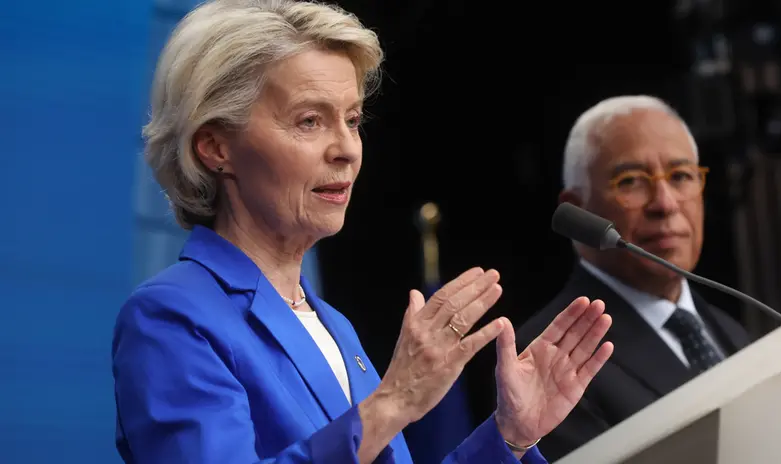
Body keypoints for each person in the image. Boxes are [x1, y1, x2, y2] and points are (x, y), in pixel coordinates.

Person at [111, 1, 615, 463]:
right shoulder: (173, 316)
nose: (347, 149)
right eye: (309, 121)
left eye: (351, 120)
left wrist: (509, 436)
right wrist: (393, 401)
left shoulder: (333, 325)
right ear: (215, 147)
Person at [516, 95, 752, 461]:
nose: (666, 203)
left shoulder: (733, 334)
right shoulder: (547, 357)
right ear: (577, 211)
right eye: (631, 182)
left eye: (681, 176)